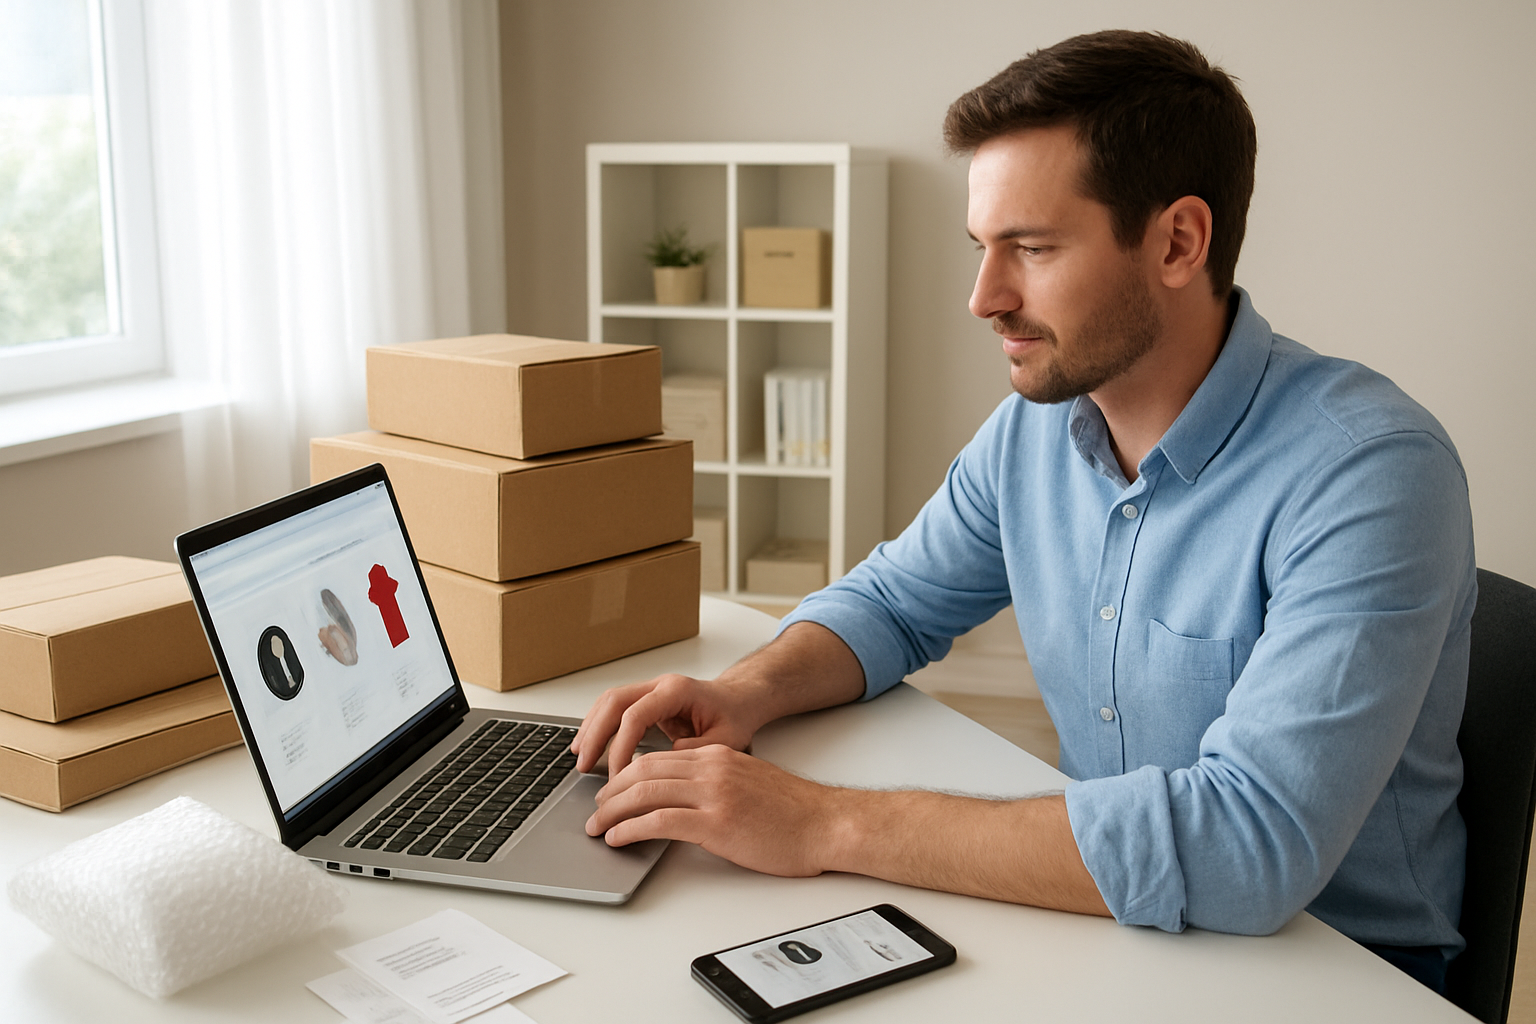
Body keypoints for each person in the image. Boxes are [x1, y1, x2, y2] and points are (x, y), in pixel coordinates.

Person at [572, 30, 1475, 992]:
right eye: (982, 248)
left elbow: (1248, 847)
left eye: (1032, 249)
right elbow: (893, 603)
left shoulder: (1371, 473)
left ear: (1178, 242)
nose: (983, 297)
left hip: (1341, 972)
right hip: (1126, 926)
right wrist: (749, 691)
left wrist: (824, 821)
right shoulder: (1035, 432)